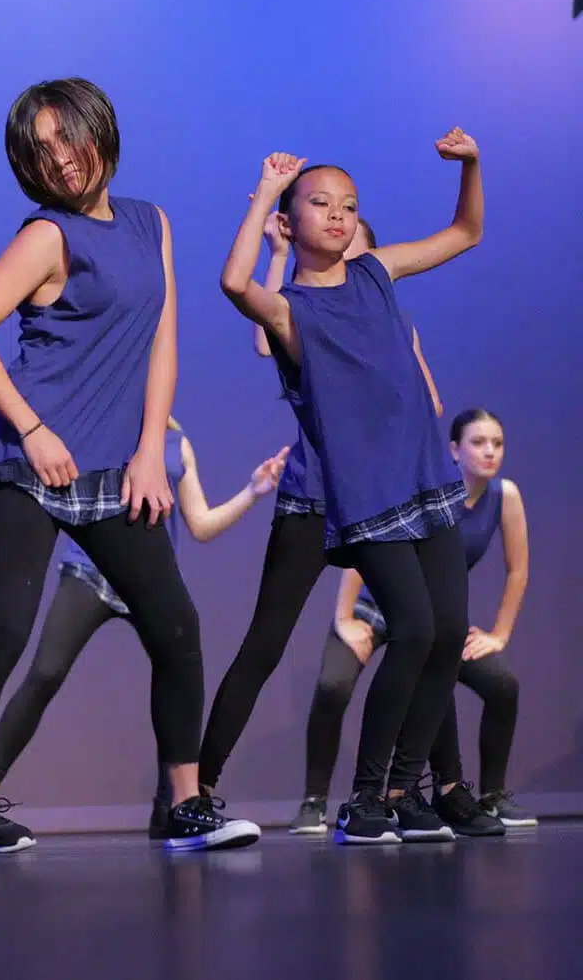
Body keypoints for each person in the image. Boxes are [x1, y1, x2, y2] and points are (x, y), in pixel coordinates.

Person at [0, 77, 261, 856]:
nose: (59, 160)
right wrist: (32, 428)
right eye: (39, 150)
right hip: (27, 464)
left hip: (117, 469)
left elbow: (163, 341)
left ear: (98, 130)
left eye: (66, 139)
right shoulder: (47, 235)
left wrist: (153, 450)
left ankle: (185, 805)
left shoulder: (152, 225)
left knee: (176, 627)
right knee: (4, 634)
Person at [219, 131, 484, 845]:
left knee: (448, 632)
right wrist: (267, 196)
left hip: (428, 480)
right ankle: (365, 798)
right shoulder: (289, 310)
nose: (338, 216)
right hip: (368, 499)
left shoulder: (374, 272)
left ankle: (405, 790)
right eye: (321, 204)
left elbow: (466, 231)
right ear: (292, 220)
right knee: (417, 629)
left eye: (349, 206)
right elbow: (236, 284)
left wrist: (471, 166)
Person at [197, 214, 444, 798]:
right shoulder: (298, 305)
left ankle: (420, 786)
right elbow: (264, 335)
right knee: (266, 642)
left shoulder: (389, 320)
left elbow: (428, 403)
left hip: (380, 501)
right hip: (314, 497)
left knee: (421, 631)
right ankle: (196, 787)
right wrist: (277, 253)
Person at [0, 417, 288, 838]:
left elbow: (200, 524)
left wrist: (254, 491)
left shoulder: (179, 443)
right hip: (91, 574)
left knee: (177, 669)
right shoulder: (102, 419)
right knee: (45, 673)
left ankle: (173, 806)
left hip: (147, 582)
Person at [298, 408, 531, 837]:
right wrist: (344, 617)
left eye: (497, 443)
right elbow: (371, 545)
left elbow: (518, 569)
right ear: (454, 450)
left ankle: (467, 792)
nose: (490, 452)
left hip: (432, 611)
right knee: (334, 685)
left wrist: (499, 634)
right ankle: (317, 801)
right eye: (479, 442)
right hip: (376, 606)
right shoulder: (428, 486)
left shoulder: (504, 496)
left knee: (492, 680)